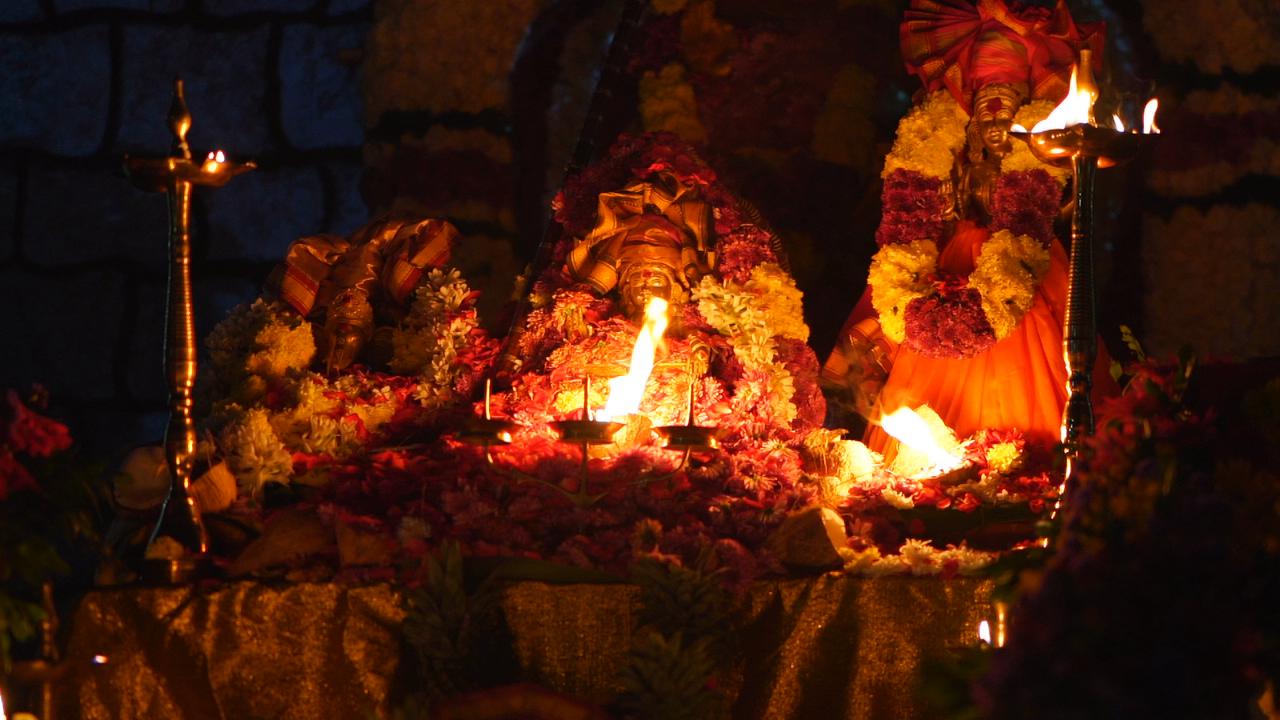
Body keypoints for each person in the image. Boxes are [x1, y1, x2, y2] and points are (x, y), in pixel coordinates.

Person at [823, 0, 1115, 458]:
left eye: (1007, 109)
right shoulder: (945, 152)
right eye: (987, 107)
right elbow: (921, 216)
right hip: (949, 268)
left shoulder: (1040, 160)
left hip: (1026, 274)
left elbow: (1060, 205)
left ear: (1027, 112)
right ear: (969, 112)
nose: (996, 122)